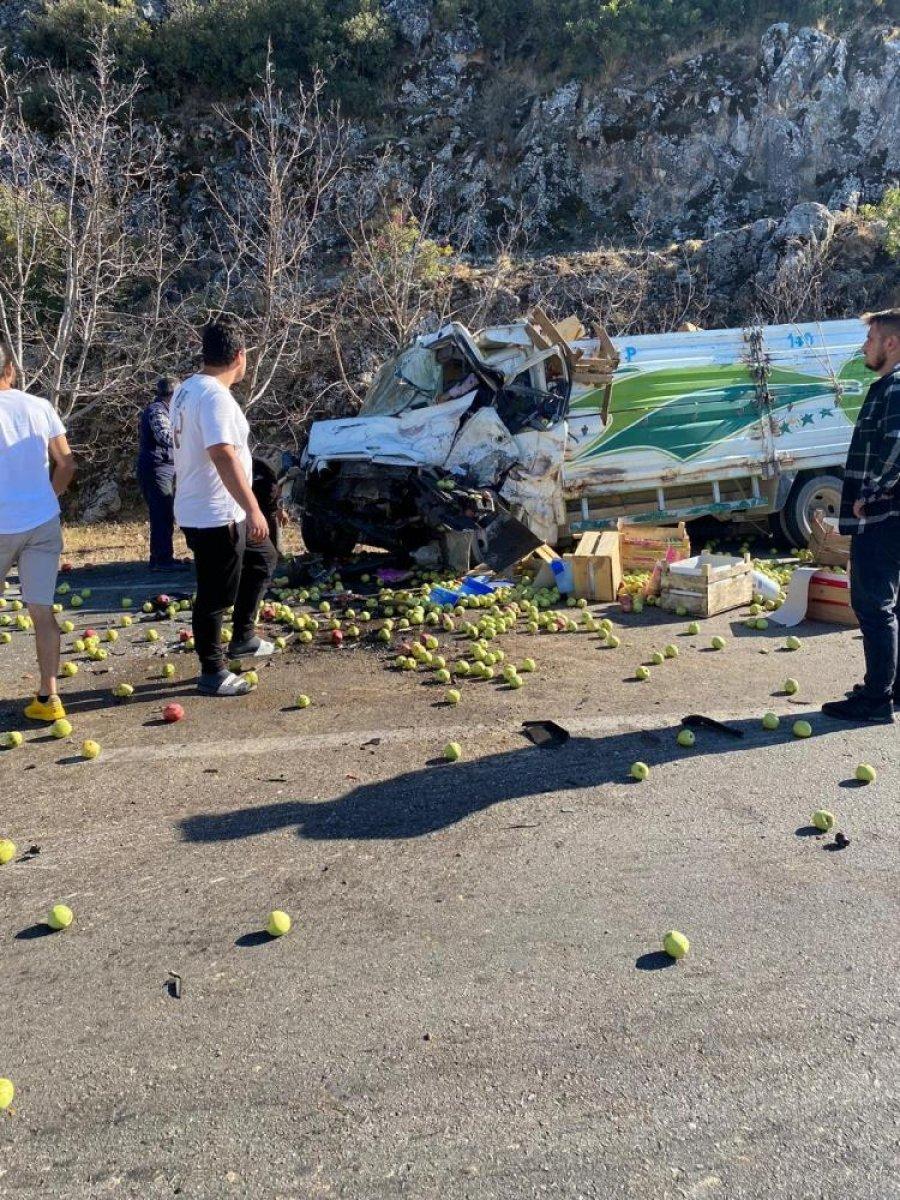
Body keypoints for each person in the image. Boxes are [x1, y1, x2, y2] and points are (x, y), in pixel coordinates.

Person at [171, 317, 278, 696]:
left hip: (213, 509)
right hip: (215, 513)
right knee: (215, 594)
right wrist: (253, 508)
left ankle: (244, 637)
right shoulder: (214, 396)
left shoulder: (187, 389)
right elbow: (222, 453)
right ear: (239, 356)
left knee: (264, 558)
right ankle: (212, 671)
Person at [822, 309, 900, 724]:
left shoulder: (896, 386)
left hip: (884, 516)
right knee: (892, 604)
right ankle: (892, 687)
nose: (864, 347)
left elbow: (897, 446)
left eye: (870, 339)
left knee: (873, 604)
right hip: (890, 513)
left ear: (890, 343)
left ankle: (875, 699)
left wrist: (871, 496)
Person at [0, 339, 76, 722]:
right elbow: (66, 463)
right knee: (42, 613)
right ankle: (49, 698)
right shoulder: (40, 406)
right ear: (10, 370)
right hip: (41, 522)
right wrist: (46, 497)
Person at [136, 377, 188, 571]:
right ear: (172, 395)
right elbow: (165, 437)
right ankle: (162, 560)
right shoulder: (157, 411)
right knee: (161, 513)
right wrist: (188, 436)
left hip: (163, 467)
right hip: (156, 468)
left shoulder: (167, 411)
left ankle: (160, 557)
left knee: (165, 513)